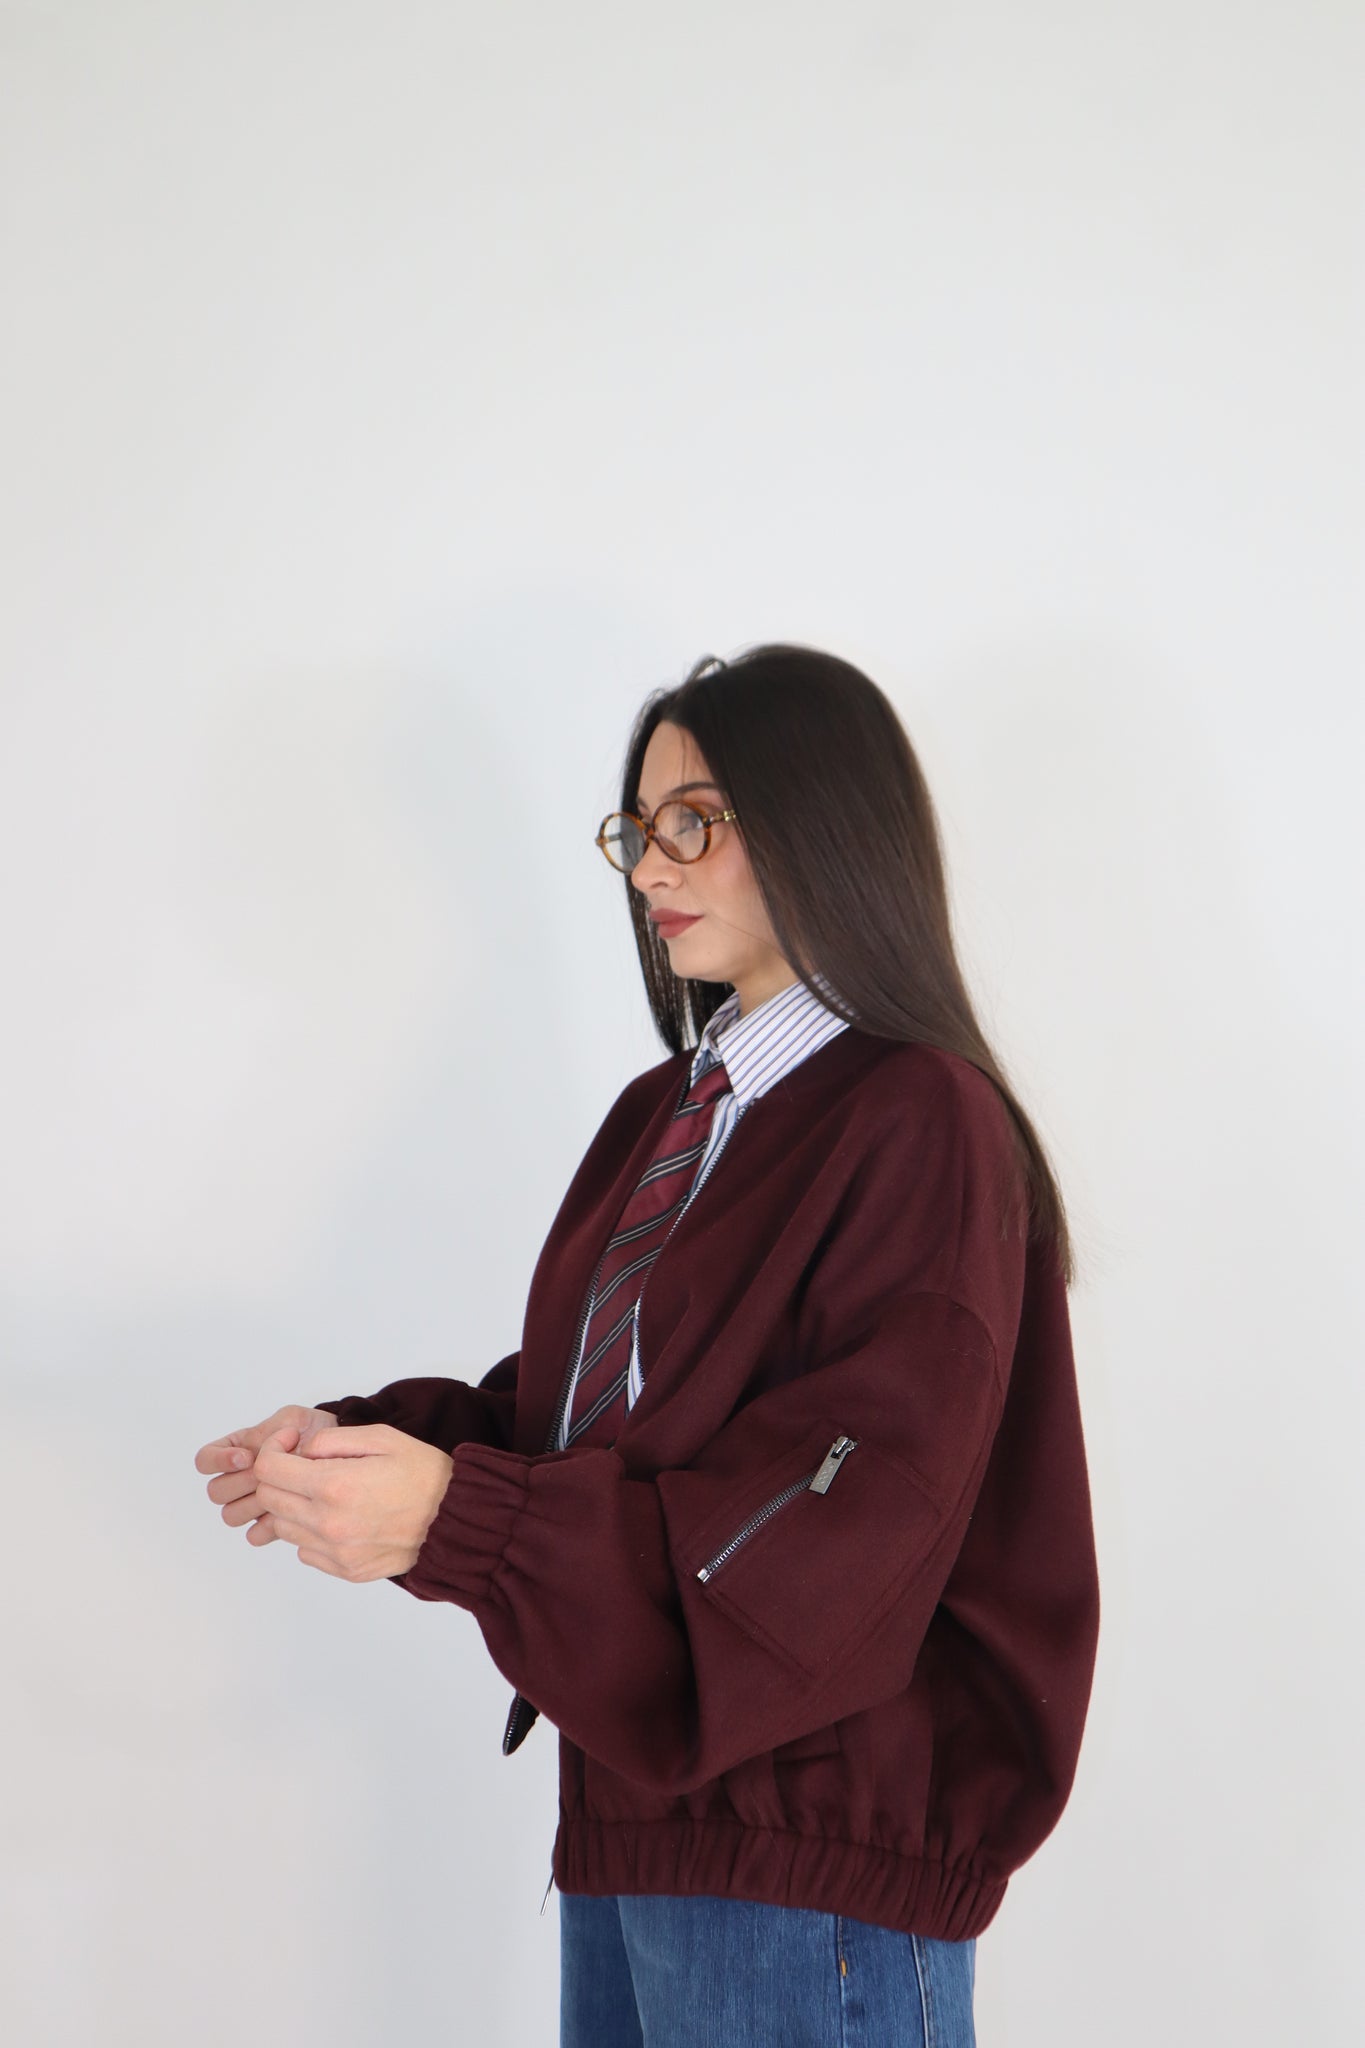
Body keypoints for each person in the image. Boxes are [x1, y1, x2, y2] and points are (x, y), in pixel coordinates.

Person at [196, 643, 1101, 2048]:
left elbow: (844, 1514)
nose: (649, 868)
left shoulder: (919, 1114)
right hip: (633, 1824)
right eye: (637, 830)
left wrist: (462, 1520)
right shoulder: (668, 1112)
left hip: (809, 1872)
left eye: (696, 822)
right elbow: (591, 1421)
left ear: (823, 824)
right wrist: (373, 1447)